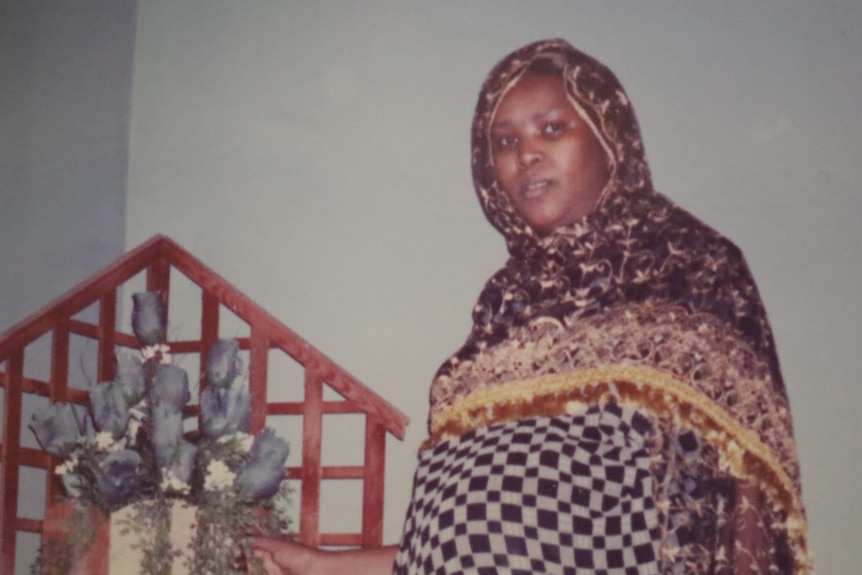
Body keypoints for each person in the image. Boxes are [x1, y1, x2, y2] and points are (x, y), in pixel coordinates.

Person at [253, 38, 811, 575]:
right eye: (504, 141)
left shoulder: (692, 271)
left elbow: (744, 511)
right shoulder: (502, 309)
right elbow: (461, 542)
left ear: (609, 139)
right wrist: (324, 565)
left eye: (551, 128)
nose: (526, 154)